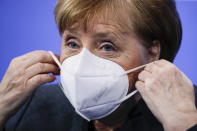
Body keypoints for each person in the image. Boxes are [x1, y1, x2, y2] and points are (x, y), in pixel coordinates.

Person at [0, 0, 197, 130]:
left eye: (107, 47)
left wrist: (185, 124)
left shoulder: (190, 113)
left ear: (152, 52)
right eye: (72, 43)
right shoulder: (33, 106)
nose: (82, 64)